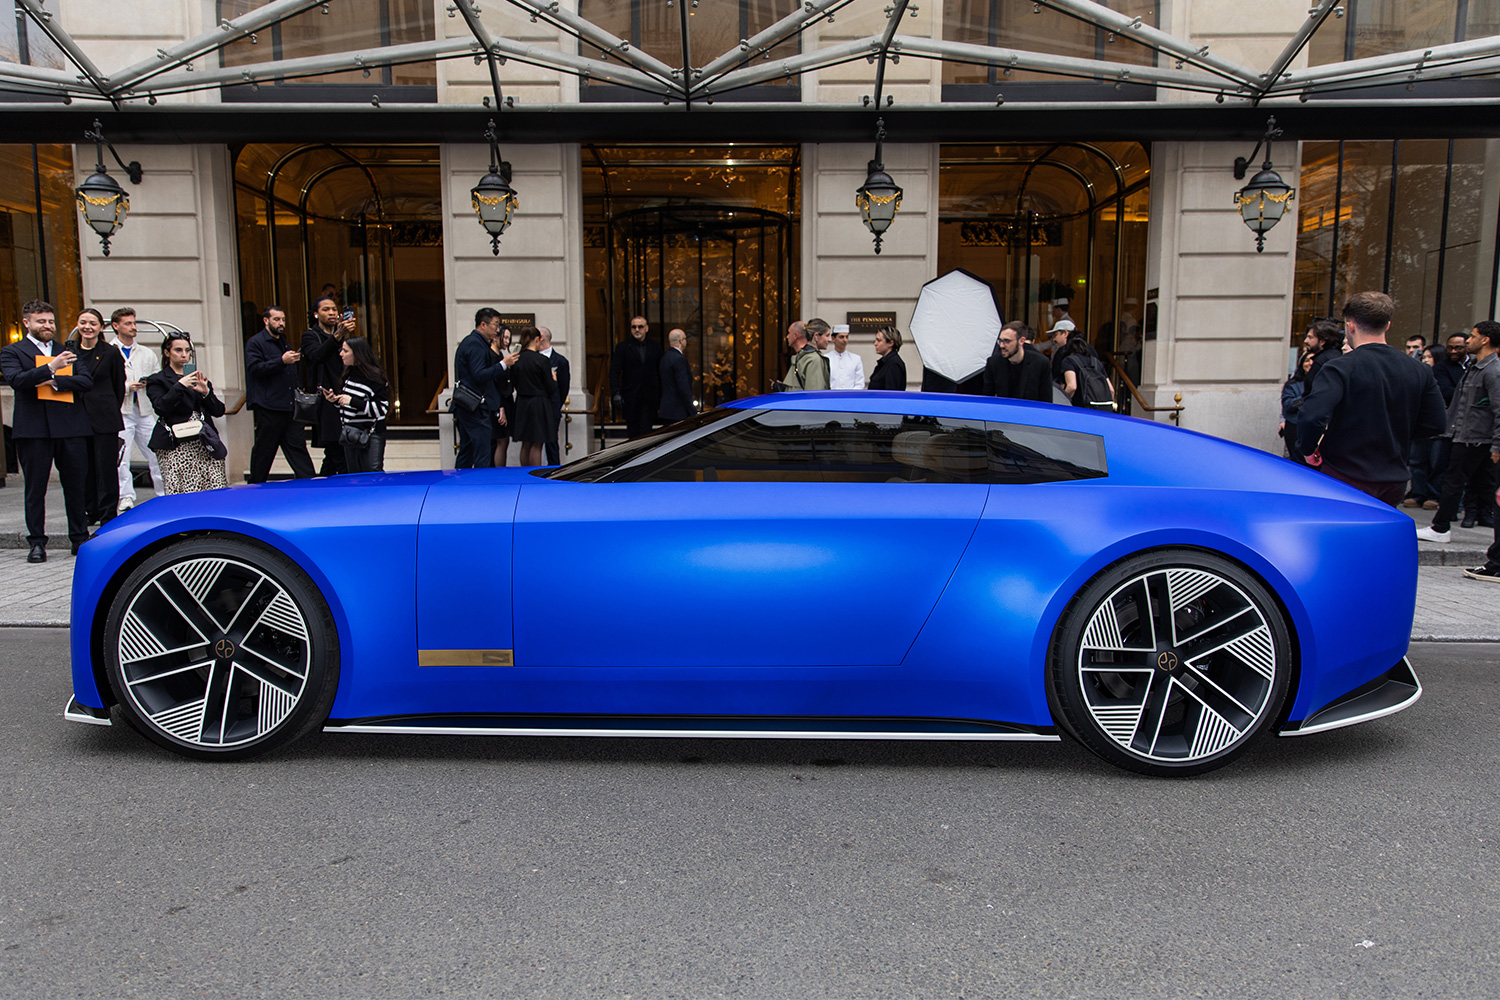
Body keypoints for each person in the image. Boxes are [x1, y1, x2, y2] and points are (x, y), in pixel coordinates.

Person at [1295, 292, 1446, 506]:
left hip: (1345, 473)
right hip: (1393, 478)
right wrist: (1396, 432)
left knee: (1341, 527)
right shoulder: (1418, 369)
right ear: (1387, 325)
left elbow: (1311, 416)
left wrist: (1308, 450)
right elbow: (1436, 423)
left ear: (1350, 326)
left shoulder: (1340, 367)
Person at [0, 299, 93, 562]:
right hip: (34, 430)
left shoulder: (67, 350)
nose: (48, 325)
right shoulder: (12, 351)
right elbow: (17, 380)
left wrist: (55, 381)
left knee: (75, 486)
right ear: (27, 323)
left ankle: (79, 538)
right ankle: (37, 543)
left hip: (70, 427)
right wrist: (51, 367)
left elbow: (86, 381)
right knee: (35, 488)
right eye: (41, 321)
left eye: (51, 321)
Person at [1416, 320, 1500, 541]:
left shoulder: (1492, 370)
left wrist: (1497, 445)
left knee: (1454, 481)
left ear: (1485, 340)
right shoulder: (1475, 367)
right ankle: (1442, 527)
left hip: (1475, 438)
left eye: (1472, 336)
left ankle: (1440, 527)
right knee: (1481, 485)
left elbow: (1499, 409)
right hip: (1467, 435)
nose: (1468, 341)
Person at [145, 332, 228, 495]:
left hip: (204, 442)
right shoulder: (157, 380)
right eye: (178, 350)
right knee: (181, 493)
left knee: (215, 490)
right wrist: (179, 386)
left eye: (188, 350)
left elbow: (219, 411)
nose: (184, 355)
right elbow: (161, 408)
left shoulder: (198, 378)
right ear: (167, 352)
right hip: (176, 444)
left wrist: (205, 393)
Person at [64, 308, 125, 526]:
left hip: (104, 418)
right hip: (75, 418)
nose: (87, 327)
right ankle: (91, 511)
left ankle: (108, 514)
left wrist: (108, 407)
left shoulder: (110, 352)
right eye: (83, 322)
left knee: (105, 468)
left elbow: (119, 386)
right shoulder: (68, 351)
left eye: (92, 323)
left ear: (101, 327)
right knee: (83, 467)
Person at [244, 305, 315, 484]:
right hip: (269, 407)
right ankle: (255, 486)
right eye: (276, 319)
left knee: (298, 448)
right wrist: (281, 361)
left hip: (290, 406)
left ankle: (311, 485)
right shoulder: (256, 342)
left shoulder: (283, 341)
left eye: (283, 319)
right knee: (264, 451)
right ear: (266, 320)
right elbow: (254, 369)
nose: (281, 323)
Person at [109, 307, 165, 511]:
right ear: (116, 326)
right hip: (121, 410)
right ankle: (125, 497)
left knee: (157, 451)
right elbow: (105, 382)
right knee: (122, 457)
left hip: (144, 409)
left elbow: (157, 376)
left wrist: (147, 382)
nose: (133, 327)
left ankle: (164, 493)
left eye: (134, 323)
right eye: (128, 323)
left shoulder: (146, 353)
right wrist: (126, 387)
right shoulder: (109, 351)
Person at [300, 295, 357, 475]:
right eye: (326, 309)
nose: (331, 312)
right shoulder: (310, 335)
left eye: (334, 309)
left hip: (345, 397)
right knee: (337, 449)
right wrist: (337, 335)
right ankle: (345, 486)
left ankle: (323, 484)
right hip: (327, 399)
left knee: (334, 455)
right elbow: (317, 355)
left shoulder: (342, 337)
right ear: (316, 314)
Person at [454, 307, 515, 468]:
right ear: (483, 324)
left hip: (470, 405)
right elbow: (479, 375)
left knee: (467, 450)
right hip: (474, 407)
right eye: (495, 325)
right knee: (482, 451)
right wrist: (503, 364)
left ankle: (460, 480)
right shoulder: (475, 344)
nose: (497, 330)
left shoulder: (475, 343)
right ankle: (479, 482)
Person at [321, 336, 389, 474]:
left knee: (372, 474)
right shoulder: (349, 374)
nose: (341, 354)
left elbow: (382, 409)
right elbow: (349, 405)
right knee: (354, 475)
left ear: (358, 354)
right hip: (351, 434)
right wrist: (336, 400)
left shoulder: (375, 378)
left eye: (345, 351)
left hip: (371, 434)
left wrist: (352, 401)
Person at [610, 315, 663, 438]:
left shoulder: (655, 347)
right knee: (633, 433)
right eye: (634, 327)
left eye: (640, 327)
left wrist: (661, 395)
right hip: (630, 397)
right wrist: (616, 392)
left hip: (649, 396)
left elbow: (661, 372)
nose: (637, 329)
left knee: (647, 432)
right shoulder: (622, 347)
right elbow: (614, 371)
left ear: (646, 328)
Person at [508, 325, 554, 467]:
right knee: (537, 443)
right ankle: (535, 474)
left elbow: (513, 383)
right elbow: (550, 387)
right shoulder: (542, 360)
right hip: (539, 403)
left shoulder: (516, 359)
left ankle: (524, 473)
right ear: (536, 339)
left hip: (522, 402)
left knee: (526, 443)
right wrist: (554, 380)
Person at [984, 321, 1052, 402]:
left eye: (1007, 341)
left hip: (1030, 409)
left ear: (1021, 341)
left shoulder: (1040, 363)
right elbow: (987, 399)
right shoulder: (993, 363)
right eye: (1000, 341)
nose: (1002, 345)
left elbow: (1046, 400)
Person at [538, 326, 570, 465]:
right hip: (537, 406)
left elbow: (564, 387)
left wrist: (557, 404)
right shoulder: (532, 358)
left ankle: (554, 470)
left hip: (552, 407)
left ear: (541, 338)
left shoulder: (560, 361)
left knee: (551, 443)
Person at [1279, 351, 1315, 463]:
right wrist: (1304, 399)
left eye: (1313, 360)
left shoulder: (1324, 383)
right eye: (1307, 360)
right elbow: (1288, 405)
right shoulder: (1293, 385)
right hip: (1295, 427)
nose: (1310, 363)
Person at [657, 327, 694, 425]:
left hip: (667, 410)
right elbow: (683, 386)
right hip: (679, 411)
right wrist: (691, 409)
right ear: (681, 341)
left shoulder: (665, 358)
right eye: (685, 338)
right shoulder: (679, 359)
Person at [491, 325, 516, 467]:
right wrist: (500, 407)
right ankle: (499, 472)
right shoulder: (492, 357)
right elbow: (494, 385)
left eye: (509, 338)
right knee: (501, 440)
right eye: (505, 337)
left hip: (505, 401)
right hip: (499, 403)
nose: (507, 341)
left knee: (503, 440)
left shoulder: (501, 356)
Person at [784, 320, 830, 390]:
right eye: (827, 335)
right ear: (816, 336)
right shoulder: (813, 359)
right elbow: (814, 392)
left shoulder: (802, 356)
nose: (830, 339)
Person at [1303, 317, 1344, 383]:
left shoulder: (1320, 361)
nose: (1306, 341)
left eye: (1310, 337)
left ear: (1322, 341)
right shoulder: (1338, 355)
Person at [867, 325, 907, 391]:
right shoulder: (884, 363)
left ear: (890, 343)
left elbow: (891, 393)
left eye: (879, 340)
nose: (875, 344)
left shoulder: (894, 364)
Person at [826, 325, 866, 390]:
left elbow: (860, 383)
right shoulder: (826, 358)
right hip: (832, 395)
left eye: (846, 337)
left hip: (851, 395)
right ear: (833, 338)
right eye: (841, 337)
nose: (845, 340)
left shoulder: (856, 359)